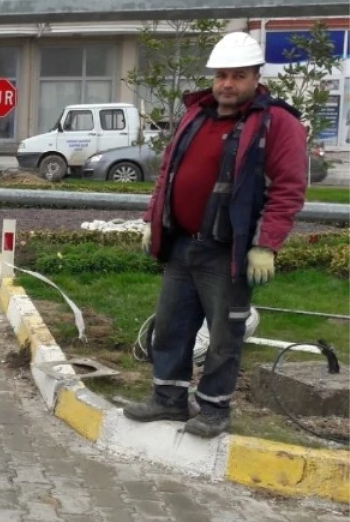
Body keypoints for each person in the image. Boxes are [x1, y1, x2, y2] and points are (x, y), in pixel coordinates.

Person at [123, 31, 308, 438]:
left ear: (255, 77)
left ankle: (214, 409)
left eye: (238, 76)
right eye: (221, 75)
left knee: (225, 335)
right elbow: (168, 172)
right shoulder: (198, 114)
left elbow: (288, 189)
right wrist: (152, 218)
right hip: (183, 243)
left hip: (229, 251)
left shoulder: (277, 122)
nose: (227, 83)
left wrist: (266, 245)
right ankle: (168, 400)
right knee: (171, 326)